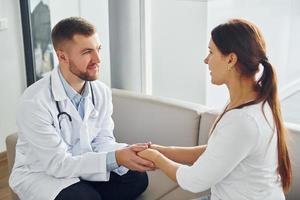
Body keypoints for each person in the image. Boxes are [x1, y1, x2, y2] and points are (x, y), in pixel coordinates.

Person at [138, 19, 292, 200]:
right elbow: (217, 152)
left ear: (231, 59)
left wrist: (156, 158)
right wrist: (163, 150)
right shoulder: (254, 100)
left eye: (211, 52)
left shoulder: (243, 121)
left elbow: (193, 181)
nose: (206, 60)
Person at [9, 17, 155, 200]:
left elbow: (103, 140)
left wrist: (128, 152)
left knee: (137, 178)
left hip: (82, 164)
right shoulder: (34, 102)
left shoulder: (100, 91)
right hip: (43, 174)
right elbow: (57, 164)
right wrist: (116, 158)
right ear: (62, 56)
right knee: (85, 197)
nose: (98, 59)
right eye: (87, 52)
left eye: (98, 49)